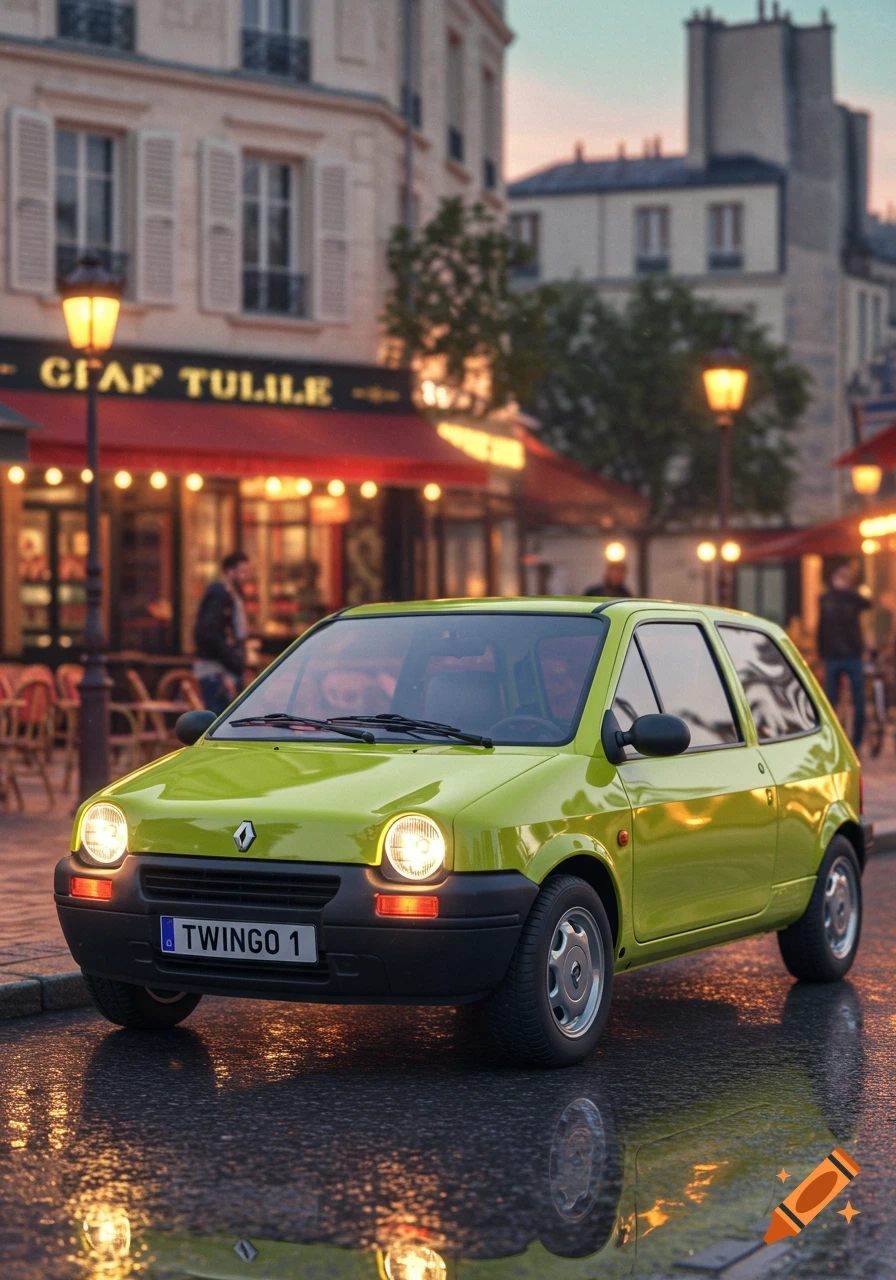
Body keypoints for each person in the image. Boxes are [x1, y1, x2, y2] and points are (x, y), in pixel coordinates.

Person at [816, 562, 870, 749]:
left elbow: (867, 604)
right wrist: (821, 654)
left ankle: (856, 742)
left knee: (859, 700)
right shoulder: (825, 599)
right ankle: (832, 741)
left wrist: (850, 589)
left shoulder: (852, 598)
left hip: (853, 655)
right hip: (832, 656)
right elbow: (821, 626)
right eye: (839, 577)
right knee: (830, 701)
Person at [193, 551, 251, 715]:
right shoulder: (220, 592)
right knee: (218, 720)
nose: (245, 576)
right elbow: (208, 632)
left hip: (224, 668)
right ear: (230, 570)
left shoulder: (231, 593)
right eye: (242, 571)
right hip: (218, 670)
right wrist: (232, 659)